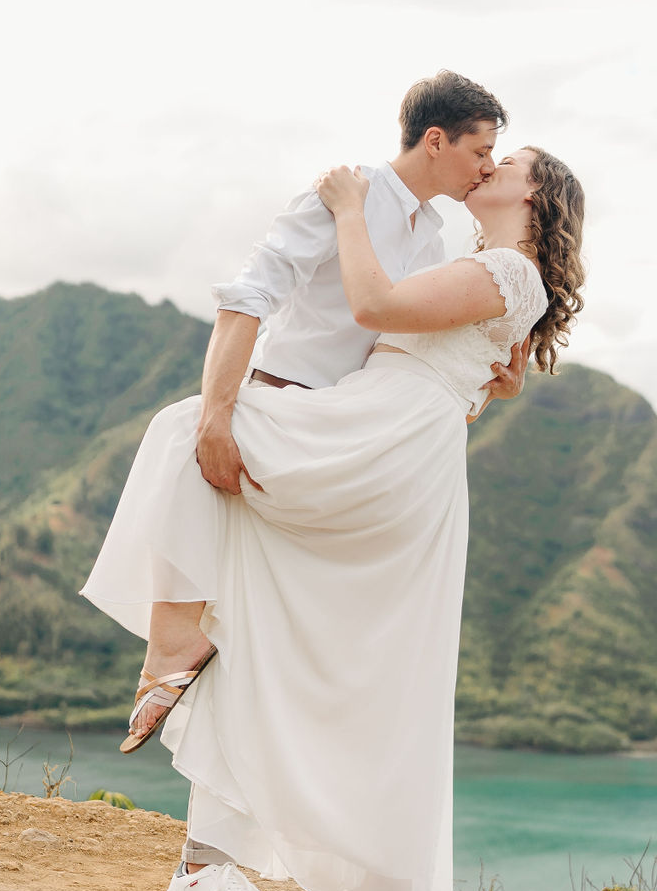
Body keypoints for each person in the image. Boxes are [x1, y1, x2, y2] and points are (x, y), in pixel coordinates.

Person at [81, 142, 586, 891]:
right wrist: (494, 371)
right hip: (412, 454)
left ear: (537, 197)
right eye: (487, 151)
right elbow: (491, 370)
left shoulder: (508, 271)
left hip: (377, 436)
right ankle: (381, 878)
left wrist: (350, 210)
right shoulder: (495, 269)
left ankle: (175, 652)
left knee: (190, 431)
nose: (493, 166)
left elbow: (375, 307)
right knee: (378, 670)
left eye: (511, 161)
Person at [118, 71, 520, 754]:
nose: (487, 168)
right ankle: (175, 652)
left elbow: (407, 349)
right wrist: (219, 416)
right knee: (180, 433)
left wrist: (489, 373)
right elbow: (248, 296)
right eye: (481, 151)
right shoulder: (343, 195)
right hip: (282, 410)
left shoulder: (431, 240)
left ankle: (261, 775)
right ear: (435, 140)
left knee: (285, 627)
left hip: (347, 438)